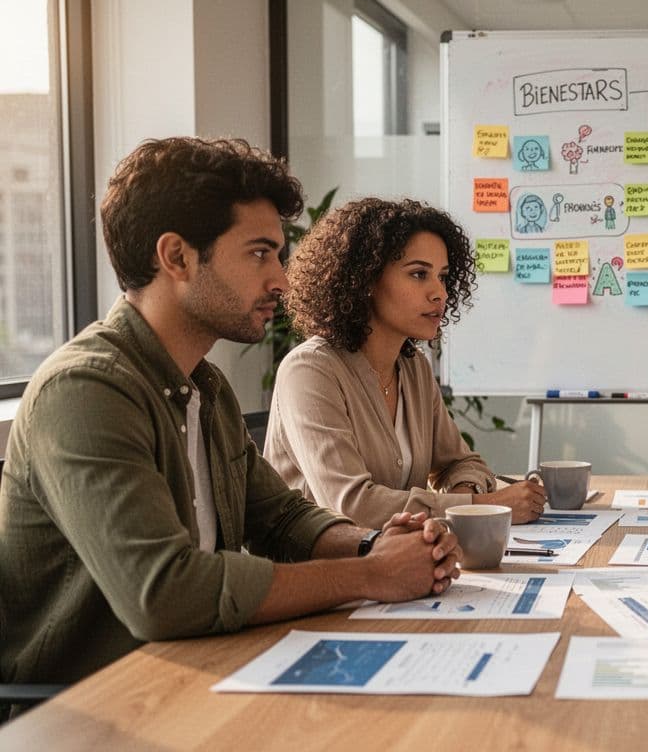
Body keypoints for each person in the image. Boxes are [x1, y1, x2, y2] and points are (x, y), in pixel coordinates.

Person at [0, 138, 459, 715]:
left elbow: (282, 517)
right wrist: (371, 573)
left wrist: (376, 541)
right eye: (260, 254)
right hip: (94, 710)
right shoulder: (87, 391)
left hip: (201, 678)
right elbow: (163, 594)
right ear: (178, 258)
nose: (282, 281)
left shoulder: (204, 388)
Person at [266, 197, 547, 527]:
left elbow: (460, 462)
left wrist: (465, 497)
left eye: (442, 276)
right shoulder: (310, 371)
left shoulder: (413, 367)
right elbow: (353, 505)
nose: (439, 293)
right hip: (322, 570)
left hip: (399, 562)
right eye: (418, 274)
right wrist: (479, 507)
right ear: (365, 280)